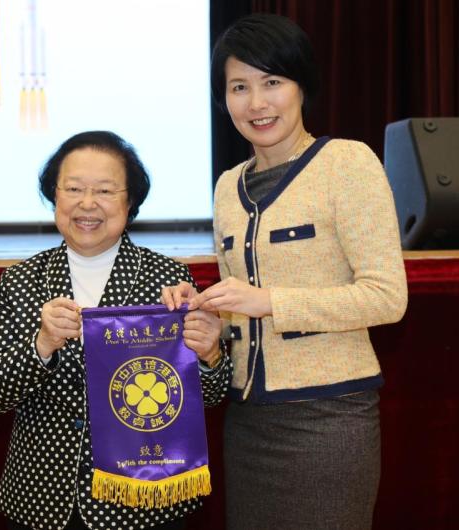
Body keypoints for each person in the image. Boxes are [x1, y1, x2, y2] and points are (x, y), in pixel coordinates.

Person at [161, 14, 407, 530]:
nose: (257, 102)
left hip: (329, 416)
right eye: (239, 87)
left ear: (301, 87)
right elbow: (241, 312)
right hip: (248, 419)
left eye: (272, 82)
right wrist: (206, 310)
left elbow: (386, 297)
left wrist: (269, 300)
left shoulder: (348, 163)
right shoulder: (227, 186)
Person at [0, 131, 231, 530]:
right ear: (54, 196)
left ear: (130, 201)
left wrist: (210, 354)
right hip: (44, 500)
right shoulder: (21, 282)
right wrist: (42, 345)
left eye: (105, 191)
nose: (87, 203)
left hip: (142, 501)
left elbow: (209, 397)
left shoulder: (167, 280)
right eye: (74, 188)